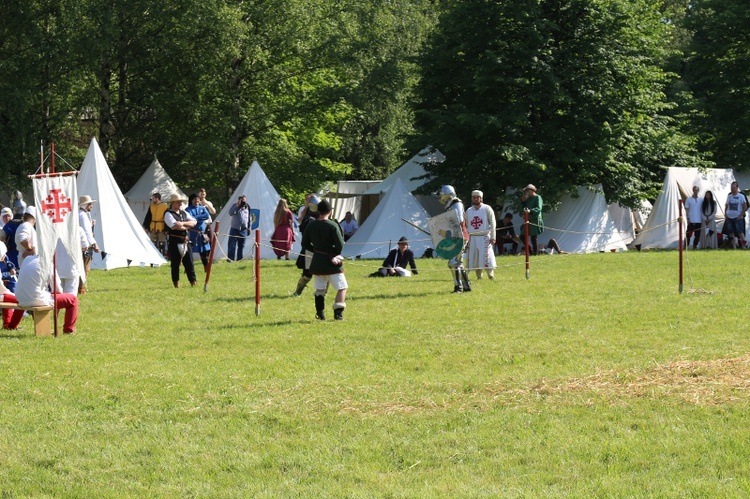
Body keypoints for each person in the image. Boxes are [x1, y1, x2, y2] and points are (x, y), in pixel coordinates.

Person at [301, 199, 347, 320]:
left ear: (318, 211)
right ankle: (338, 314)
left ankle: (320, 314)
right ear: (329, 211)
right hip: (331, 262)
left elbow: (304, 243)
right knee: (342, 287)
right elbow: (340, 245)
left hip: (317, 261)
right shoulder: (332, 225)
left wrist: (316, 250)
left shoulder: (311, 225)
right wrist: (333, 253)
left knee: (320, 289)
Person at [15, 254, 78, 334]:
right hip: (35, 299)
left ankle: (13, 326)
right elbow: (57, 289)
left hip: (20, 297)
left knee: (37, 294)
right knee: (73, 300)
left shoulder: (27, 259)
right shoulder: (47, 263)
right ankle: (69, 330)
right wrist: (60, 296)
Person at [437, 185, 471, 293]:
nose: (441, 196)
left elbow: (458, 220)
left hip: (459, 236)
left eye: (442, 194)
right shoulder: (451, 204)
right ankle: (466, 285)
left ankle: (458, 287)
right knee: (458, 262)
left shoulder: (456, 203)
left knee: (453, 262)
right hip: (457, 236)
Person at [165, 193, 197, 287]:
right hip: (175, 242)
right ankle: (176, 283)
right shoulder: (168, 214)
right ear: (173, 203)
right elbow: (174, 226)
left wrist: (183, 223)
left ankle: (193, 282)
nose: (180, 204)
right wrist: (186, 226)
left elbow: (194, 222)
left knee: (189, 263)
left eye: (180, 202)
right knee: (175, 264)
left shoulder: (183, 213)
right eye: (178, 202)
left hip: (186, 241)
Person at [465, 190, 497, 279]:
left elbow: (493, 223)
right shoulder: (469, 210)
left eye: (477, 197)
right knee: (475, 257)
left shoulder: (487, 208)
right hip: (473, 238)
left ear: (481, 198)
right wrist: (466, 238)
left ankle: (490, 275)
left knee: (487, 256)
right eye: (474, 197)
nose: (475, 199)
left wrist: (493, 236)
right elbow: (466, 225)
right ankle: (479, 276)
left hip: (484, 237)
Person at [78, 195, 100, 294]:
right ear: (87, 205)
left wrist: (90, 224)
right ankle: (81, 288)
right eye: (90, 204)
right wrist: (94, 244)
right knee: (85, 267)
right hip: (85, 245)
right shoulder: (83, 215)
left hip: (81, 244)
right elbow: (86, 231)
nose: (92, 206)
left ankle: (80, 287)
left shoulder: (80, 214)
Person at [0, 241, 24, 330]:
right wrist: (11, 294)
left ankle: (7, 324)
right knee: (23, 301)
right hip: (1, 294)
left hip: (1, 294)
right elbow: (1, 289)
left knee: (7, 298)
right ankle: (12, 325)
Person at [186, 193, 212, 272]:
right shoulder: (188, 209)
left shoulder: (202, 208)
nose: (197, 201)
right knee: (189, 252)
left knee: (204, 252)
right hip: (193, 234)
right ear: (192, 200)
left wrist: (196, 218)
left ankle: (206, 268)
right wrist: (200, 218)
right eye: (195, 199)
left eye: (198, 199)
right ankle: (188, 268)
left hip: (202, 234)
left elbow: (207, 216)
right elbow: (190, 218)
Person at [521, 184, 544, 255]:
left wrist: (530, 211)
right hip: (528, 220)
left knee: (534, 238)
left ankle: (535, 253)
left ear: (532, 190)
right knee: (522, 236)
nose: (527, 192)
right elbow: (524, 207)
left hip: (535, 219)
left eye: (528, 190)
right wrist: (523, 201)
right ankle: (530, 251)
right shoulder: (529, 199)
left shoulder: (538, 197)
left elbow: (539, 208)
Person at [724, 181, 746, 249]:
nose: (732, 189)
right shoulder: (729, 196)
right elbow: (726, 206)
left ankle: (743, 246)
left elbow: (744, 207)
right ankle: (734, 247)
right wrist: (726, 214)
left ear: (737, 187)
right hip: (729, 217)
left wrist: (740, 215)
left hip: (738, 217)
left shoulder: (741, 196)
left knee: (740, 232)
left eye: (733, 187)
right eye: (731, 187)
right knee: (731, 232)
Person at [228, 194, 250, 261]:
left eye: (244, 200)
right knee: (232, 245)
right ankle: (231, 259)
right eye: (242, 200)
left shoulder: (247, 207)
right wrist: (237, 206)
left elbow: (249, 218)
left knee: (241, 245)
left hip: (243, 230)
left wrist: (249, 227)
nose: (243, 202)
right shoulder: (235, 205)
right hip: (235, 228)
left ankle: (240, 259)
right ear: (239, 200)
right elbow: (230, 213)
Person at [684, 185, 703, 250]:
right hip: (691, 219)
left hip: (699, 220)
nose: (695, 191)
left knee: (697, 235)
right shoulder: (688, 199)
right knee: (688, 234)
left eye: (696, 190)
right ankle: (686, 245)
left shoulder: (701, 200)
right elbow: (687, 209)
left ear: (698, 191)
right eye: (694, 190)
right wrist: (687, 218)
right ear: (693, 190)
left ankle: (695, 246)